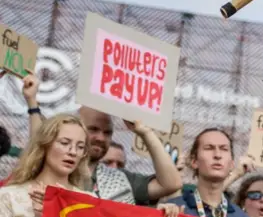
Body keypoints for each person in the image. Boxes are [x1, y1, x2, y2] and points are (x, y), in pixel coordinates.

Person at [21, 72, 182, 205]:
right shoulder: (56, 170)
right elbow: (38, 141)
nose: (100, 137)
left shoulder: (119, 181)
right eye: (93, 130)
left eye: (107, 133)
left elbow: (171, 184)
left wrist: (146, 132)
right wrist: (32, 102)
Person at [0, 114, 93, 217]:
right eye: (64, 143)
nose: (73, 152)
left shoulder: (88, 200)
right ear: (45, 145)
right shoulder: (8, 195)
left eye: (80, 147)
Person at [164, 128, 250, 217]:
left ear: (231, 164)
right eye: (209, 148)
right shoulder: (175, 207)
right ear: (194, 161)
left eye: (224, 149)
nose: (217, 155)